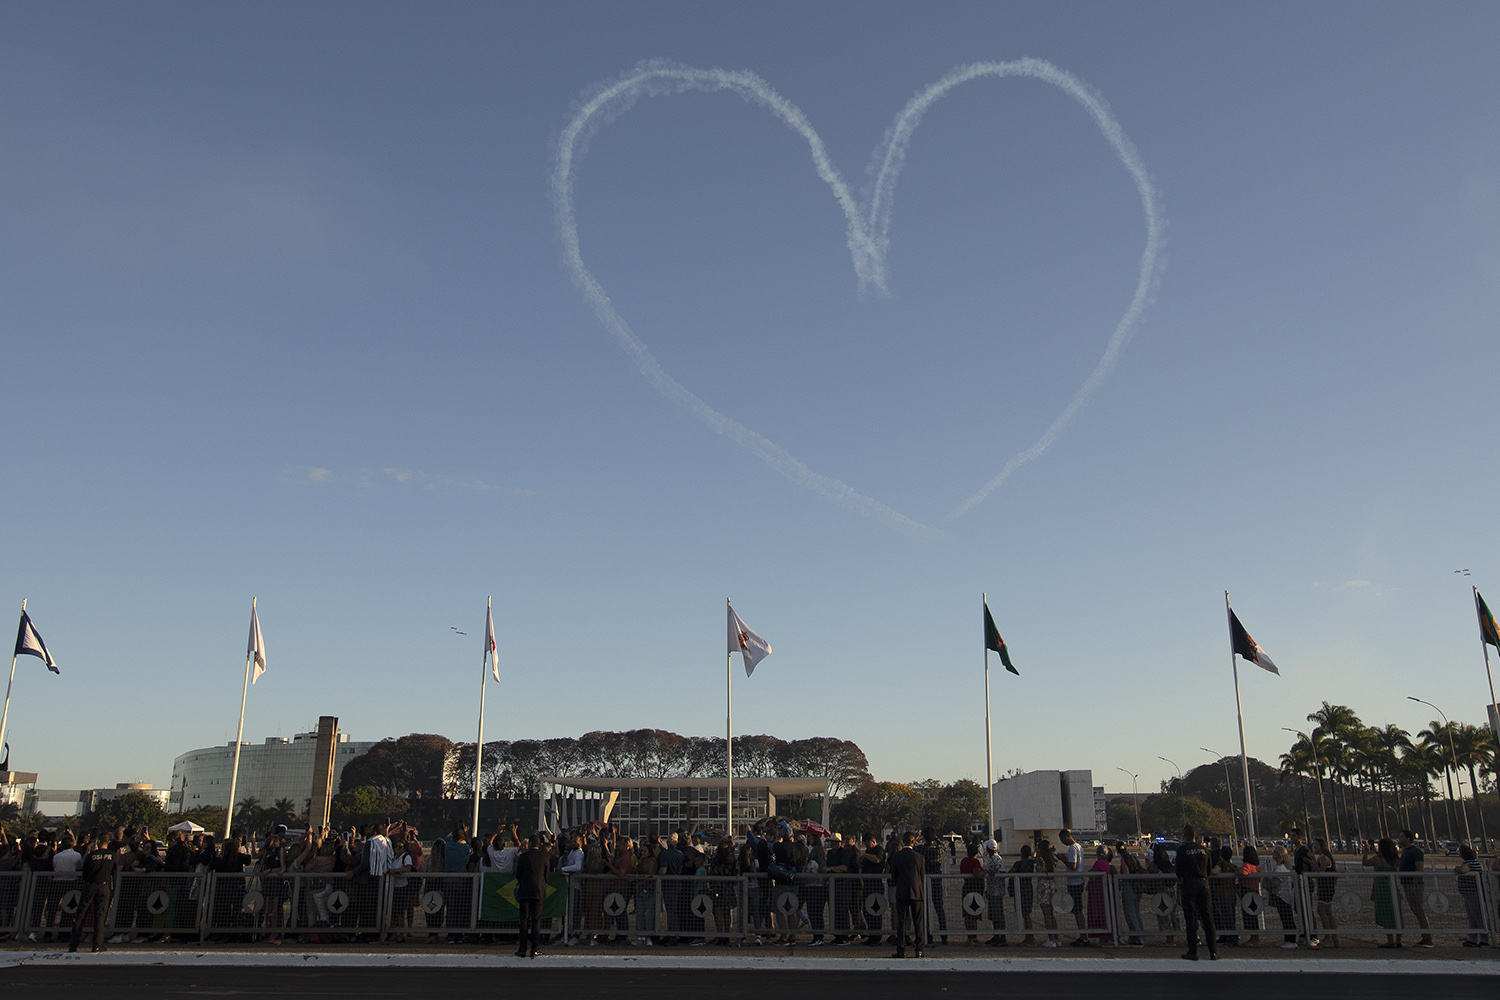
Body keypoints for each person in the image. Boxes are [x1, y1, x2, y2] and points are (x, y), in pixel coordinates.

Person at [68, 832, 119, 953]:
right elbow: (114, 872)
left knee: (81, 915)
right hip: (104, 886)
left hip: (90, 885)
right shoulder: (112, 856)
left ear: (99, 841)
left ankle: (73, 944)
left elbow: (84, 872)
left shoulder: (92, 855)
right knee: (100, 916)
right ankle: (97, 944)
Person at [1175, 824, 1217, 961]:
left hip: (1189, 884)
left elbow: (1178, 870)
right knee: (1208, 918)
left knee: (1191, 918)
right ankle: (1213, 951)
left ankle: (1192, 951)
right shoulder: (1204, 850)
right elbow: (1209, 869)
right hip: (1204, 884)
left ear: (1184, 835)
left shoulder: (1182, 850)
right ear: (1195, 836)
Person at [888, 831, 925, 958]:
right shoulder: (919, 857)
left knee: (901, 921)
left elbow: (894, 876)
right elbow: (922, 876)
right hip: (916, 892)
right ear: (913, 841)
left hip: (902, 891)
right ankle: (919, 948)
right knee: (918, 922)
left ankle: (901, 949)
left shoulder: (897, 857)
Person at [1396, 830, 1433, 948]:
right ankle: (1425, 936)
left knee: (1419, 910)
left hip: (1414, 885)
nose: (1400, 839)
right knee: (1416, 910)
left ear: (1408, 838)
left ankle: (1428, 938)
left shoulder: (1416, 852)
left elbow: (1419, 869)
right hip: (1407, 884)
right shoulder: (1405, 852)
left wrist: (1414, 884)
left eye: (1401, 837)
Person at [514, 834, 549, 957]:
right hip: (538, 891)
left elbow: (518, 874)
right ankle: (535, 948)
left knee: (524, 920)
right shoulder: (544, 857)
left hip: (525, 891)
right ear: (539, 844)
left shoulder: (523, 857)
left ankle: (522, 948)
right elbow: (546, 875)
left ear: (529, 844)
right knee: (536, 921)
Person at [1362, 837, 1400, 948]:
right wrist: (1375, 850)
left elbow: (1365, 862)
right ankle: (1398, 939)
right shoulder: (1394, 859)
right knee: (1396, 914)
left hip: (1382, 889)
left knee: (1386, 914)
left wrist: (1366, 853)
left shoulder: (1377, 859)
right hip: (1393, 888)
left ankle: (1390, 940)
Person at [915, 828, 947, 945]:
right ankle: (944, 934)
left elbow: (912, 846)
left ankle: (928, 934)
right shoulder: (938, 849)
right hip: (936, 880)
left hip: (924, 880)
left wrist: (917, 837)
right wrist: (936, 837)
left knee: (925, 909)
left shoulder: (921, 849)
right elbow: (944, 846)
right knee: (939, 908)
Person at [1056, 829, 1088, 946]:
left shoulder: (1073, 848)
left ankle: (1084, 937)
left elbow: (1073, 865)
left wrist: (1062, 858)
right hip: (1077, 881)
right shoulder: (1079, 847)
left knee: (1078, 910)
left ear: (1066, 837)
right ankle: (1082, 935)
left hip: (1075, 882)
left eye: (1062, 840)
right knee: (1076, 910)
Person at [1454, 845, 1489, 947]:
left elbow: (1463, 870)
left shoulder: (1471, 863)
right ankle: (1472, 938)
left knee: (1477, 916)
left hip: (1473, 893)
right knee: (1471, 916)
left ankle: (1484, 939)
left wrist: (1457, 868)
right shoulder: (1469, 862)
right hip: (1467, 893)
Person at [1267, 845, 1298, 948]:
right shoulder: (1283, 867)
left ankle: (1291, 940)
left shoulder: (1280, 868)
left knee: (1286, 917)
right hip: (1284, 895)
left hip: (1282, 895)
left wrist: (1268, 880)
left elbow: (1276, 882)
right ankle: (1287, 938)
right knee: (1285, 917)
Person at [981, 839, 1008, 946]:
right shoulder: (992, 858)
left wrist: (991, 872)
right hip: (992, 890)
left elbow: (1002, 872)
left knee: (998, 914)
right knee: (994, 915)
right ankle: (996, 935)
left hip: (997, 891)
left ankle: (1002, 937)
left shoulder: (996, 859)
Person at [1311, 838, 1337, 948]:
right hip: (1323, 887)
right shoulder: (1322, 857)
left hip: (1326, 887)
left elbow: (1320, 871)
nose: (1315, 846)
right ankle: (1334, 937)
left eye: (1317, 844)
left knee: (1322, 911)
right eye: (1314, 844)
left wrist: (1312, 860)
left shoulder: (1324, 858)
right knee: (1327, 912)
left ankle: (1328, 937)